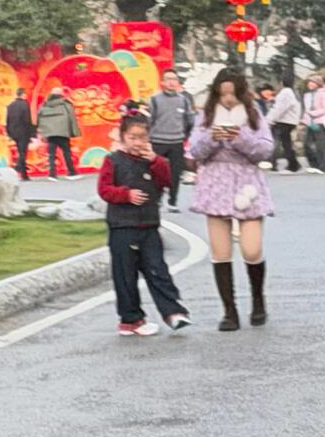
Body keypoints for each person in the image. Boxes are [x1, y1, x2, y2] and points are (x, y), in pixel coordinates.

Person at [188, 69, 274, 331]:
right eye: (222, 93)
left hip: (247, 183)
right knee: (221, 251)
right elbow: (195, 150)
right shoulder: (206, 115)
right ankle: (229, 311)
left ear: (240, 92)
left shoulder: (253, 113)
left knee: (252, 249)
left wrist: (240, 137)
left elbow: (266, 149)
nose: (227, 99)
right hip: (215, 182)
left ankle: (258, 299)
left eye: (232, 94)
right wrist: (212, 138)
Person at [97, 114, 190, 338]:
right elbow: (104, 189)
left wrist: (155, 161)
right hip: (122, 226)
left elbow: (167, 181)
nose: (137, 142)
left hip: (148, 225)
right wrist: (125, 195)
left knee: (158, 270)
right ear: (122, 137)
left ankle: (173, 312)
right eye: (132, 137)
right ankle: (131, 320)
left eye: (142, 137)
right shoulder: (112, 160)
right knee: (125, 275)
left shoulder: (154, 161)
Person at [147, 69, 195, 212]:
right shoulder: (155, 100)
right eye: (168, 79)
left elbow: (190, 121)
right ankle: (156, 200)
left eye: (174, 79)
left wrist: (184, 136)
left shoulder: (183, 100)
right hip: (158, 142)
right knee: (156, 173)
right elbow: (149, 120)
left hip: (176, 142)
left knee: (175, 174)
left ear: (178, 82)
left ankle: (172, 202)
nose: (171, 82)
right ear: (162, 82)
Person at [37, 85, 80, 178]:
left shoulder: (44, 105)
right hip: (63, 133)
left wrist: (42, 133)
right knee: (67, 153)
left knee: (51, 155)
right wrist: (74, 132)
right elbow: (72, 118)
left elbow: (39, 118)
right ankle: (71, 172)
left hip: (50, 134)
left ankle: (52, 174)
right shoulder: (66, 104)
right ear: (61, 94)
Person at [302, 76, 325, 173]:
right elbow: (306, 110)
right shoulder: (307, 95)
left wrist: (314, 113)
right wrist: (304, 120)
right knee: (306, 144)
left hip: (320, 121)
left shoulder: (323, 94)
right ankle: (314, 164)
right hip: (310, 122)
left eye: (313, 82)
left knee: (320, 145)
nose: (310, 84)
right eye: (309, 82)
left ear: (318, 84)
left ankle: (322, 167)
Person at [268, 75, 302, 173]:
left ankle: (292, 165)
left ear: (282, 82)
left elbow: (279, 108)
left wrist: (269, 119)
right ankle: (293, 164)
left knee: (282, 143)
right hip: (291, 121)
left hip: (284, 121)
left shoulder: (285, 92)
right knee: (286, 143)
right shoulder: (293, 92)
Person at [5, 87, 34, 180]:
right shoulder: (25, 105)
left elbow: (8, 120)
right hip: (23, 132)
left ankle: (23, 173)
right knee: (23, 152)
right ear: (23, 94)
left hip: (13, 132)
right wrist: (31, 133)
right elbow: (27, 120)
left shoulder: (11, 105)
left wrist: (9, 132)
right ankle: (18, 170)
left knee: (20, 151)